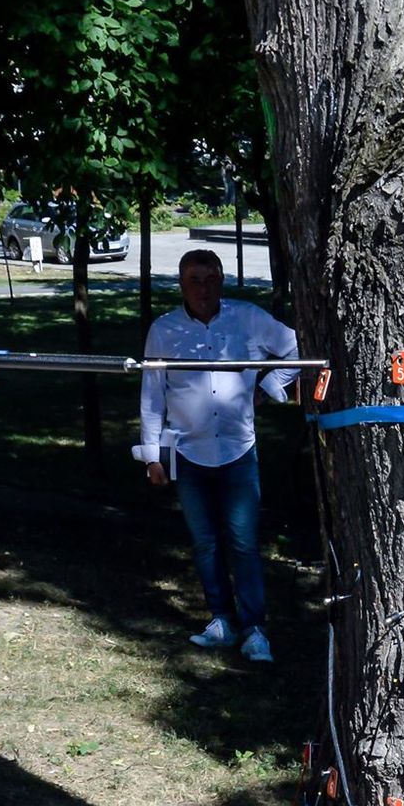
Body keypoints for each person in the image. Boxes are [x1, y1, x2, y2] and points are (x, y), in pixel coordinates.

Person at [136, 248, 299, 663]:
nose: (203, 289)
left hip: (238, 449)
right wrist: (153, 455)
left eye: (211, 279)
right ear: (182, 285)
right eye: (195, 280)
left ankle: (255, 628)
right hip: (189, 452)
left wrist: (268, 387)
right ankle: (221, 619)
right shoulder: (164, 331)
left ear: (221, 281)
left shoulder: (247, 318)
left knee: (243, 543)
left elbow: (293, 346)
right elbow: (153, 394)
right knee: (205, 543)